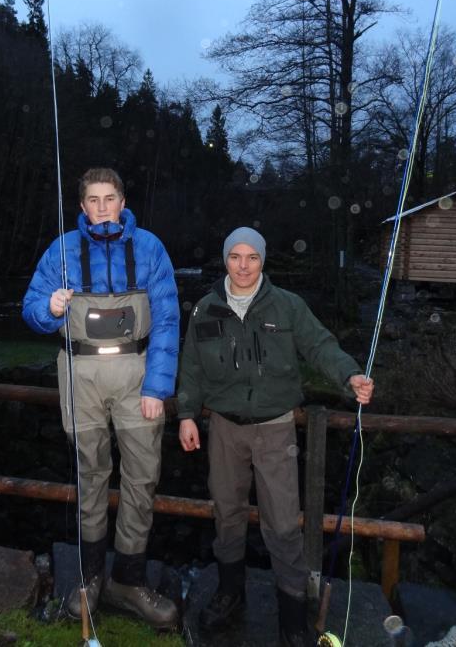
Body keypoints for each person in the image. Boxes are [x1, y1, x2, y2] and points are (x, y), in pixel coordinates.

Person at [177, 227, 373, 646]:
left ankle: (292, 618)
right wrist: (187, 415)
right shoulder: (206, 309)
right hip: (225, 430)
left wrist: (349, 375)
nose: (243, 266)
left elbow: (321, 346)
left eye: (252, 257)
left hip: (275, 428)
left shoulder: (287, 306)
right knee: (226, 514)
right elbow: (191, 366)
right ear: (225, 259)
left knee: (283, 524)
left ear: (263, 261)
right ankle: (230, 593)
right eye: (235, 257)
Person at [23, 167, 179, 628]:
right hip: (80, 375)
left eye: (110, 198)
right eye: (93, 199)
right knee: (90, 475)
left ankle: (128, 579)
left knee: (142, 477)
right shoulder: (62, 251)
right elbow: (30, 308)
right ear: (82, 206)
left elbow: (168, 319)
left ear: (124, 201)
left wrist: (158, 387)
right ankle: (91, 577)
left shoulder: (150, 248)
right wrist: (48, 309)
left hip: (137, 374)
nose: (102, 207)